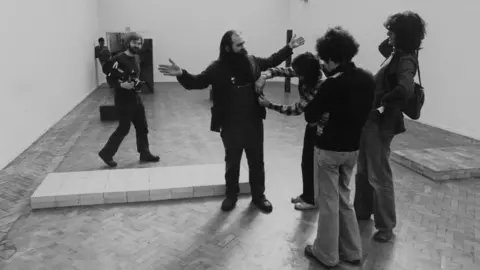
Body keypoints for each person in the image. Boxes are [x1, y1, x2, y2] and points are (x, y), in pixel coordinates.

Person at [158, 30, 305, 213]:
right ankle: (231, 195)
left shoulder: (251, 61)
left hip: (253, 120)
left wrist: (289, 47)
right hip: (230, 123)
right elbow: (197, 82)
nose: (244, 47)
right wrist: (182, 74)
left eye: (244, 43)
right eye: (239, 45)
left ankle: (259, 196)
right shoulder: (217, 67)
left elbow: (271, 61)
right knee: (233, 162)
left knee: (257, 161)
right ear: (227, 48)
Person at [300, 26, 376, 268]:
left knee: (329, 202)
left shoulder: (332, 83)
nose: (324, 64)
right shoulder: (367, 77)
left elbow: (310, 115)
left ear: (332, 58)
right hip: (352, 149)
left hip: (329, 149)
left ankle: (326, 253)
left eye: (325, 60)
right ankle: (352, 251)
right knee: (344, 199)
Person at [353, 11, 427, 243]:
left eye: (392, 31)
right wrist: (395, 39)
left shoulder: (405, 60)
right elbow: (381, 47)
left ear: (402, 35)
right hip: (370, 122)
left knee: (379, 175)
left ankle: (386, 226)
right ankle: (362, 211)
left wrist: (382, 107)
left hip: (381, 124)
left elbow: (404, 89)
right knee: (364, 170)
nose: (388, 34)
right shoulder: (396, 54)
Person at [254, 52, 342, 211]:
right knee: (306, 162)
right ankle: (307, 194)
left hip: (322, 127)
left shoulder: (319, 84)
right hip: (312, 124)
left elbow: (296, 109)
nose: (298, 78)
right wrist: (265, 75)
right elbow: (282, 71)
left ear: (307, 75)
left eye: (300, 76)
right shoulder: (307, 70)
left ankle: (312, 200)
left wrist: (270, 105)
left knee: (312, 163)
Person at [98, 32, 160, 167]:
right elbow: (110, 78)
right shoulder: (118, 59)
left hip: (135, 98)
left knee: (142, 127)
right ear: (128, 43)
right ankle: (106, 153)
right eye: (134, 42)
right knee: (124, 128)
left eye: (139, 43)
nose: (137, 45)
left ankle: (144, 153)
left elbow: (132, 75)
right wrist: (121, 85)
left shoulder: (136, 58)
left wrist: (137, 83)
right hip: (123, 100)